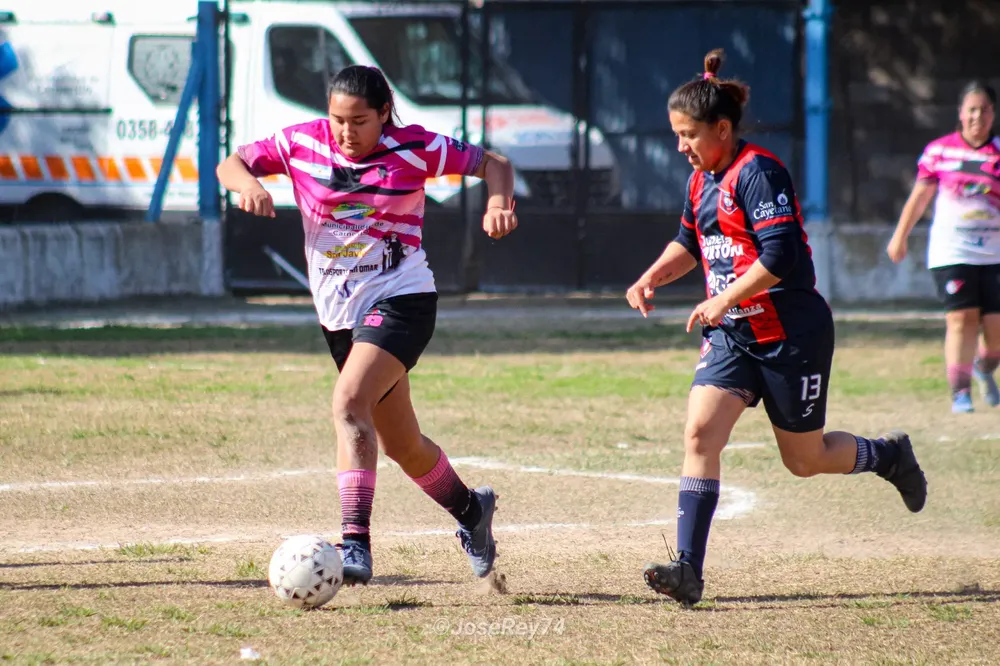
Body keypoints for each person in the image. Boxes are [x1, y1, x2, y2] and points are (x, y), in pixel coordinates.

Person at [625, 49, 928, 608]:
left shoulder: (758, 173)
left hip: (791, 334)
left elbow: (782, 255)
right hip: (735, 337)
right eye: (676, 134)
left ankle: (887, 456)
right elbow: (691, 242)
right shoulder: (702, 182)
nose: (680, 146)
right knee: (699, 435)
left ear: (722, 128)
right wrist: (650, 278)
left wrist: (722, 300)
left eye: (688, 134)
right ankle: (688, 571)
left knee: (803, 461)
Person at [216, 65, 518, 586]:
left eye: (359, 121)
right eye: (337, 120)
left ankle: (354, 545)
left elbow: (494, 163)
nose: (346, 132)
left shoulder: (416, 147)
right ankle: (472, 511)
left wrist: (497, 203)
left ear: (384, 114)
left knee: (348, 403)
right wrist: (249, 186)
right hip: (340, 316)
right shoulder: (301, 143)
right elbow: (233, 162)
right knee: (403, 445)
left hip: (402, 298)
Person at [887, 81, 1000, 413]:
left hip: (994, 253)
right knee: (961, 319)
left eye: (985, 109)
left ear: (993, 114)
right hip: (953, 251)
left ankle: (983, 368)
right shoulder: (940, 151)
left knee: (996, 334)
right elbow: (920, 196)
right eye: (972, 109)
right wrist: (900, 235)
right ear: (961, 113)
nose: (978, 116)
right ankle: (960, 392)